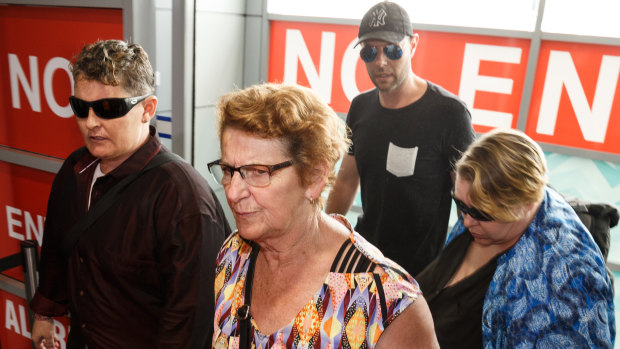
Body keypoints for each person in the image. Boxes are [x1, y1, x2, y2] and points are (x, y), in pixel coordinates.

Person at [29, 39, 230, 349]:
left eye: (108, 108)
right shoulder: (75, 169)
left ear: (147, 109)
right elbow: (57, 243)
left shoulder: (183, 198)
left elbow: (191, 323)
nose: (91, 122)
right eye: (81, 108)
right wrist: (45, 312)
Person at [209, 83, 439, 348]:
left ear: (315, 177)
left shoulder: (386, 304)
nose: (233, 192)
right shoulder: (232, 256)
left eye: (259, 172)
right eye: (228, 170)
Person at [415, 129, 616, 348]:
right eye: (460, 204)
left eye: (482, 214)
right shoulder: (480, 215)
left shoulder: (565, 281)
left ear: (525, 205)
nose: (466, 222)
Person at [325, 1, 476, 276]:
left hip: (419, 273)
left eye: (392, 50)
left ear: (413, 44)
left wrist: (457, 273)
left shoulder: (449, 113)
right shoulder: (360, 107)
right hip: (364, 259)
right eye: (370, 52)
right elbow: (347, 180)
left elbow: (469, 204)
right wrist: (322, 236)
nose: (381, 61)